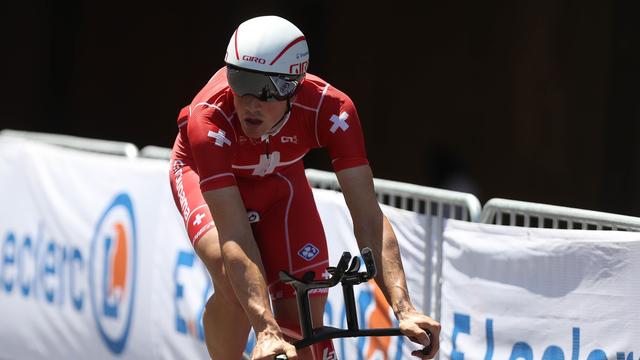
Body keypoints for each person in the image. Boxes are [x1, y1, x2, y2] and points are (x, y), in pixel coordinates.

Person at [168, 15, 440, 360]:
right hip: (201, 172)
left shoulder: (332, 109)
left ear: (294, 86)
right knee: (231, 281)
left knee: (304, 306)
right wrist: (265, 330)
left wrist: (404, 308)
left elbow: (369, 217)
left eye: (267, 89)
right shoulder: (208, 118)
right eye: (240, 81)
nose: (250, 102)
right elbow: (236, 233)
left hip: (279, 177)